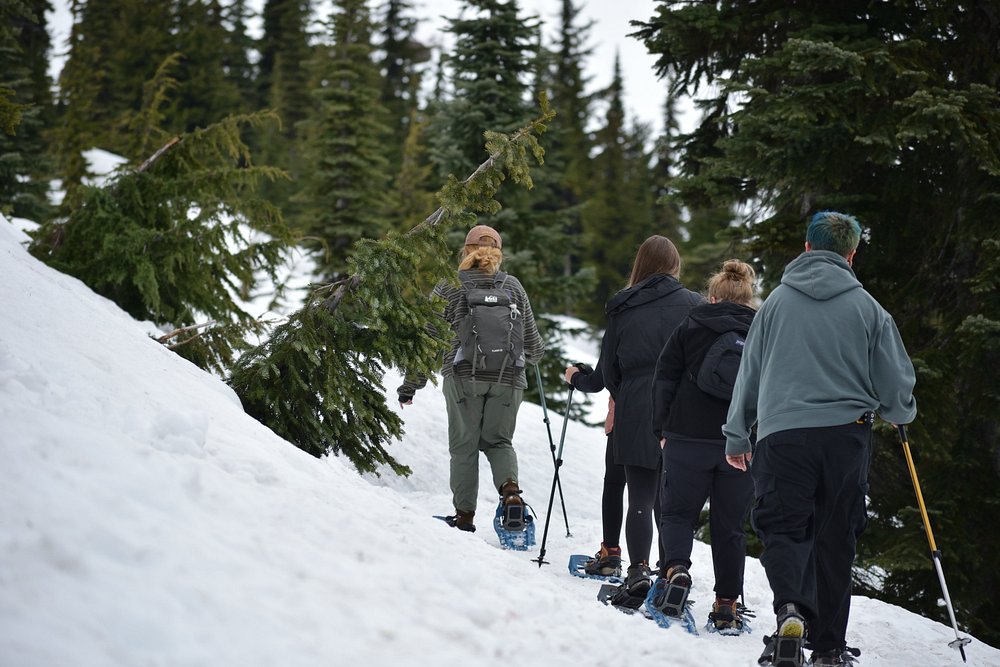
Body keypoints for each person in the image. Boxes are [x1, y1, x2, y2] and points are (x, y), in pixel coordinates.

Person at [723, 212, 917, 667]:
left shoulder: (774, 305)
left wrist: (736, 433)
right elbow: (896, 383)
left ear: (806, 248)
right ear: (852, 254)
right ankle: (829, 646)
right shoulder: (869, 308)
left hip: (782, 433)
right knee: (836, 536)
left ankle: (791, 609)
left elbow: (749, 372)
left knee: (785, 528)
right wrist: (899, 412)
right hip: (845, 436)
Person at [565, 235, 703, 600]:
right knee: (667, 499)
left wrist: (576, 378)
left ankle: (634, 568)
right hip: (683, 409)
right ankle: (671, 568)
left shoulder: (623, 307)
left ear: (640, 264)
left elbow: (606, 376)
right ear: (675, 265)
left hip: (638, 405)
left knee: (635, 492)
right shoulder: (694, 305)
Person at [397, 225, 544, 534]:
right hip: (507, 378)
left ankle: (464, 518)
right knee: (499, 441)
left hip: (463, 375)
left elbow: (428, 338)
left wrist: (411, 384)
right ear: (499, 253)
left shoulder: (449, 286)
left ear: (465, 251)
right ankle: (511, 494)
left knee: (464, 447)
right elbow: (533, 344)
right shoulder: (513, 286)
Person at [649, 260, 757, 633]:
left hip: (686, 436)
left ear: (712, 296)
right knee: (729, 527)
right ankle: (727, 604)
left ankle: (676, 569)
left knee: (678, 514)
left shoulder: (692, 324)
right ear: (748, 298)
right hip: (738, 443)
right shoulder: (762, 332)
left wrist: (661, 427)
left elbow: (665, 377)